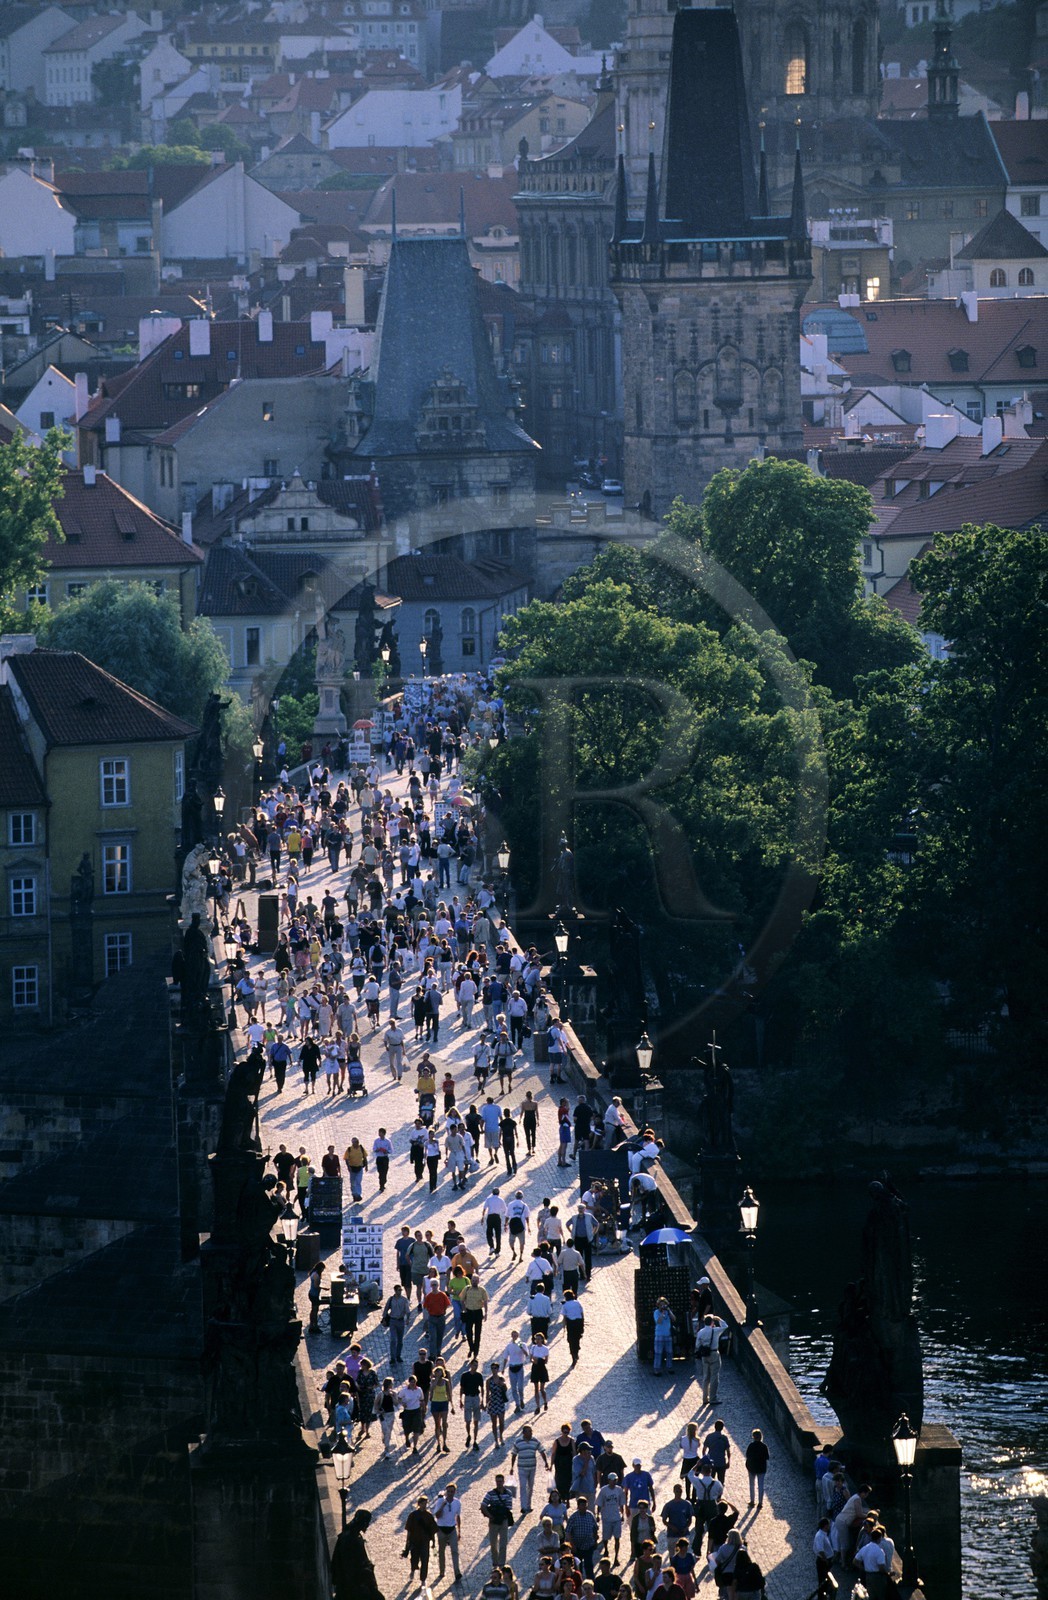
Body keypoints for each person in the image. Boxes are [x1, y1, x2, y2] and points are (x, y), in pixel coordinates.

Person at [511, 1422, 549, 1514]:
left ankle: (528, 1505)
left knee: (531, 1487)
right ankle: (523, 1507)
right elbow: (514, 1454)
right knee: (523, 1486)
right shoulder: (518, 1442)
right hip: (522, 1468)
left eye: (531, 1431)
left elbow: (542, 1451)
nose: (531, 1433)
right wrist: (511, 1467)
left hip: (532, 1467)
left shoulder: (535, 1441)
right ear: (524, 1433)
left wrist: (546, 1462)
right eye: (529, 1431)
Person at [481, 1473, 517, 1568]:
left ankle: (501, 1563)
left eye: (500, 1481)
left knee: (503, 1543)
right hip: (493, 1521)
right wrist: (490, 1516)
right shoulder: (490, 1493)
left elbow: (509, 1507)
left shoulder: (508, 1493)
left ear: (503, 1482)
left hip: (503, 1520)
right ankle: (495, 1562)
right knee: (493, 1544)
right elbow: (483, 1505)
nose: (499, 1483)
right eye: (497, 1481)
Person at [403, 1495, 438, 1584]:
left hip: (425, 1542)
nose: (424, 1505)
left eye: (426, 1504)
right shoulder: (413, 1515)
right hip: (415, 1541)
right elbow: (409, 1530)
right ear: (419, 1504)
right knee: (414, 1558)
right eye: (423, 1503)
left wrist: (433, 1542)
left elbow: (432, 1530)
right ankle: (413, 1569)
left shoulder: (429, 1516)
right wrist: (407, 1542)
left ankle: (423, 1578)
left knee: (425, 1560)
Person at [695, 1315, 728, 1406]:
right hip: (714, 1353)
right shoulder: (715, 1330)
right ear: (712, 1323)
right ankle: (713, 1398)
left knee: (706, 1377)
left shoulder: (700, 1332)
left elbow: (697, 1345)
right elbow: (725, 1326)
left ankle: (705, 1398)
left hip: (704, 1355)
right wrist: (719, 1319)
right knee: (714, 1376)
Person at [434, 1482, 464, 1584]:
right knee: (441, 1551)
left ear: (455, 1492)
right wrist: (443, 1505)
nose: (450, 1493)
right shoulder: (440, 1501)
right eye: (449, 1491)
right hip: (441, 1529)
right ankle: (442, 1571)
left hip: (452, 1529)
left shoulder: (457, 1503)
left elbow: (458, 1516)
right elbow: (437, 1516)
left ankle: (457, 1572)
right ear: (446, 1492)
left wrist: (459, 1531)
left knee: (455, 1551)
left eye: (452, 1491)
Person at [565, 1497, 600, 1580]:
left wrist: (595, 1540)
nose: (584, 1507)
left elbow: (595, 1528)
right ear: (578, 1506)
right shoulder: (573, 1517)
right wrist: (572, 1545)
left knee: (589, 1566)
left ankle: (591, 1584)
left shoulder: (590, 1515)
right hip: (577, 1547)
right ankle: (578, 1583)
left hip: (588, 1546)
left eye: (585, 1505)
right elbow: (568, 1532)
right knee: (577, 1567)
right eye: (582, 1505)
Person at [596, 1474, 626, 1564]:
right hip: (606, 1517)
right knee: (605, 1537)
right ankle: (606, 1550)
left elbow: (622, 1504)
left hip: (616, 1517)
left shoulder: (619, 1490)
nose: (613, 1482)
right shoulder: (604, 1490)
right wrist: (598, 1515)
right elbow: (599, 1503)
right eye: (611, 1480)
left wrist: (622, 1514)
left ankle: (616, 1557)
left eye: (615, 1480)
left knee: (617, 1538)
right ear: (608, 1480)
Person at [429, 1360, 455, 1452]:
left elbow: (449, 1393)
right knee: (437, 1424)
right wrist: (436, 1379)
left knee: (444, 1423)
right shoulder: (433, 1380)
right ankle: (438, 1443)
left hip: (444, 1402)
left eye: (440, 1371)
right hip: (435, 1403)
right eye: (437, 1371)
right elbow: (431, 1389)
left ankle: (444, 1443)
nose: (438, 1373)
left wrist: (452, 1405)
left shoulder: (446, 1381)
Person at [462, 1273, 489, 1357]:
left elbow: (485, 1301)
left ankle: (476, 1352)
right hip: (469, 1312)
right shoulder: (466, 1289)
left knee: (478, 1333)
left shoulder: (482, 1290)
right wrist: (464, 1309)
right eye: (473, 1280)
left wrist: (486, 1313)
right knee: (468, 1332)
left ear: (478, 1281)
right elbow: (462, 1300)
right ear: (471, 1280)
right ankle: (471, 1347)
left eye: (475, 1281)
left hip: (478, 1312)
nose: (474, 1282)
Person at [397, 1373, 425, 1455]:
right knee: (407, 1428)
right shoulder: (404, 1390)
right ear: (409, 1382)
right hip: (408, 1411)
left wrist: (423, 1407)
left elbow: (422, 1399)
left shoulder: (419, 1390)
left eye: (414, 1382)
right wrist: (403, 1404)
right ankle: (407, 1438)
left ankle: (415, 1447)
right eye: (411, 1382)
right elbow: (399, 1398)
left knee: (416, 1429)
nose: (413, 1383)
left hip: (416, 1411)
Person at [661, 1483, 694, 1552]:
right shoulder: (668, 1505)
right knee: (672, 1554)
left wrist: (686, 1528)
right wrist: (672, 1527)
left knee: (685, 1553)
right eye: (677, 1491)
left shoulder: (687, 1504)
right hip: (672, 1534)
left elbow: (690, 1519)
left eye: (680, 1491)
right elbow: (664, 1520)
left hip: (684, 1533)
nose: (678, 1493)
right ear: (674, 1491)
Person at [460, 1358, 485, 1450]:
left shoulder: (479, 1376)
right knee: (468, 1420)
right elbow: (462, 1388)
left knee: (476, 1420)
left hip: (476, 1398)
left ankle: (475, 1440)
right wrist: (460, 1400)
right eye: (474, 1365)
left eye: (477, 1365)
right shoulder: (465, 1375)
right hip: (468, 1397)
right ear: (470, 1365)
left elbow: (482, 1388)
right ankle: (469, 1435)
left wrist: (482, 1401)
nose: (476, 1367)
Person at [709, 1529, 743, 1593]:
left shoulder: (724, 1548)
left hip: (727, 1573)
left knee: (728, 1592)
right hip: (738, 1573)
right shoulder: (742, 1548)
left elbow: (717, 1560)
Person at [745, 1428, 769, 1509]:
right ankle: (760, 1503)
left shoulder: (751, 1446)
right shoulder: (764, 1446)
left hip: (752, 1468)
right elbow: (767, 1457)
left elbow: (747, 1455)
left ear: (753, 1437)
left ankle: (752, 1501)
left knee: (752, 1485)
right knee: (761, 1485)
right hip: (761, 1468)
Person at [486, 1361, 509, 1446]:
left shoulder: (501, 1379)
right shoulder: (489, 1380)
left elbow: (506, 1389)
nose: (493, 1370)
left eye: (495, 1368)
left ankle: (501, 1436)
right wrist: (486, 1403)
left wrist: (503, 1384)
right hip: (493, 1401)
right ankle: (496, 1440)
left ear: (498, 1369)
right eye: (492, 1368)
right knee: (494, 1423)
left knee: (502, 1422)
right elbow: (487, 1392)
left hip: (500, 1401)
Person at [703, 1420, 730, 1486]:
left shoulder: (709, 1436)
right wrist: (728, 1461)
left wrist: (705, 1459)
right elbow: (728, 1451)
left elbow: (704, 1450)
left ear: (714, 1427)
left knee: (710, 1481)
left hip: (711, 1462)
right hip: (721, 1462)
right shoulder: (724, 1438)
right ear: (722, 1428)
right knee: (721, 1481)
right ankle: (719, 1495)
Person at [528, 1331, 550, 1412]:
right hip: (535, 1368)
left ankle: (545, 1402)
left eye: (539, 1339)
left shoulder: (545, 1349)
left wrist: (538, 1360)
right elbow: (530, 1359)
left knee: (542, 1389)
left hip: (542, 1368)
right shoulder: (533, 1347)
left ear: (542, 1339)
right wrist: (535, 1361)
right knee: (536, 1388)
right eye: (536, 1339)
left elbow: (546, 1361)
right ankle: (537, 1406)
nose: (537, 1340)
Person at [561, 1289, 585, 1366]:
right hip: (579, 1322)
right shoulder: (577, 1303)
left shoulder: (565, 1305)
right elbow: (582, 1313)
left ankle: (573, 1354)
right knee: (577, 1337)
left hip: (571, 1323)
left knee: (571, 1339)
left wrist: (564, 1325)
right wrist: (582, 1322)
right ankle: (577, 1350)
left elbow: (564, 1316)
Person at [813, 1517, 836, 1596]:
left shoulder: (823, 1534)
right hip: (823, 1561)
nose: (829, 1527)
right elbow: (820, 1550)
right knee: (823, 1581)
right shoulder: (820, 1536)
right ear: (825, 1526)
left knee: (826, 1580)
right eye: (828, 1525)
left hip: (826, 1560)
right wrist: (826, 1560)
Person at [653, 1297, 675, 1374]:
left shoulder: (668, 1312)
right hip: (659, 1335)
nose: (663, 1306)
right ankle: (657, 1368)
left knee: (669, 1352)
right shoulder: (656, 1312)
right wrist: (662, 1314)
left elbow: (674, 1319)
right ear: (658, 1305)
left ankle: (669, 1367)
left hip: (667, 1335)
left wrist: (669, 1311)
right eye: (661, 1305)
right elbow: (658, 1321)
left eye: (664, 1304)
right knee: (658, 1353)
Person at [507, 1191, 531, 1262]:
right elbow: (527, 1217)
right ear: (522, 1197)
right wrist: (528, 1226)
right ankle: (521, 1256)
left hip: (513, 1226)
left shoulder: (510, 1204)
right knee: (522, 1243)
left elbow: (507, 1215)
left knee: (511, 1242)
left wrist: (505, 1224)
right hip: (521, 1226)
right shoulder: (524, 1205)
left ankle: (514, 1252)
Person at [372, 1128, 393, 1192]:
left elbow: (391, 1150)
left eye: (381, 1132)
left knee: (385, 1171)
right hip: (379, 1158)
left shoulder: (388, 1141)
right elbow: (374, 1148)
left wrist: (386, 1151)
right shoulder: (376, 1141)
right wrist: (377, 1149)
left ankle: (382, 1183)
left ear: (384, 1133)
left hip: (385, 1158)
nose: (379, 1134)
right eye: (379, 1132)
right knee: (380, 1171)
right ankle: (381, 1183)